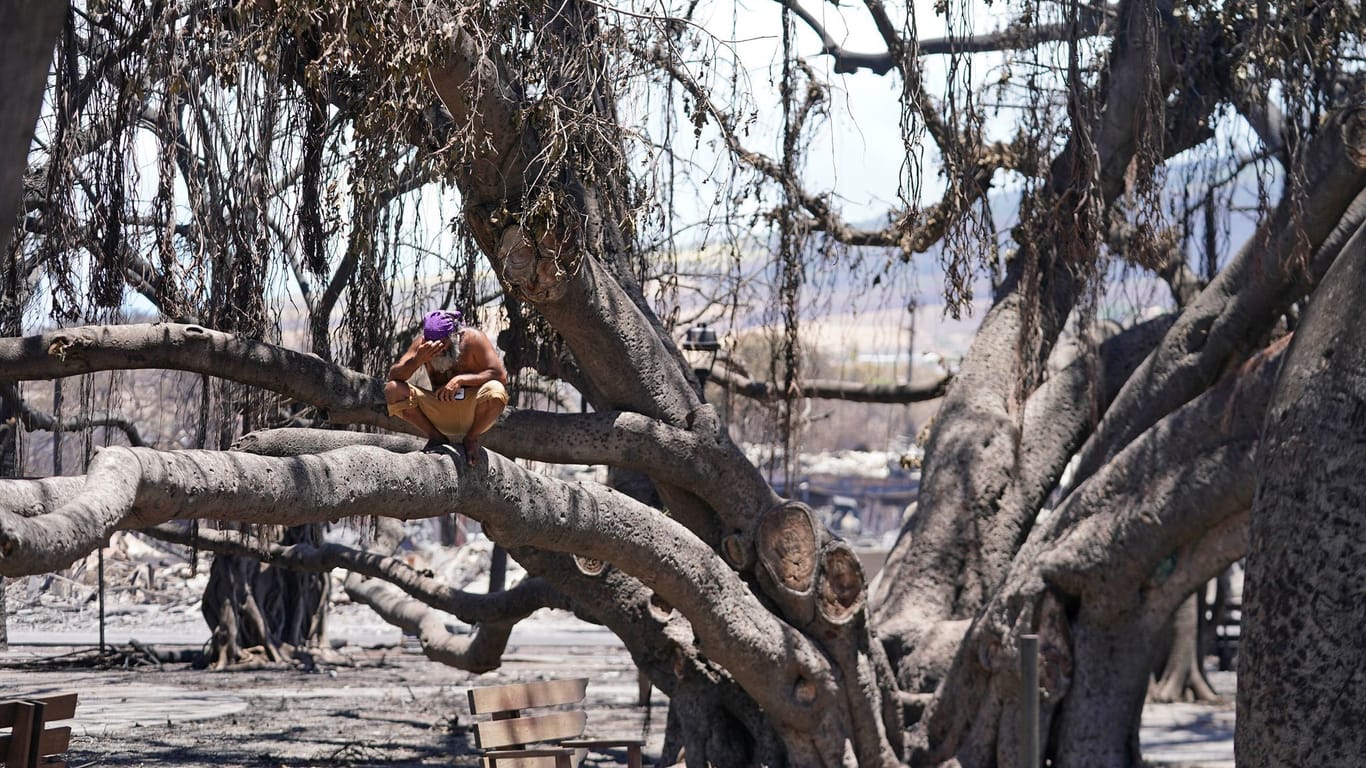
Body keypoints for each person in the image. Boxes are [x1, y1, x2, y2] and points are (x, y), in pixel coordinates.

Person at [385, 309, 509, 463]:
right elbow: (394, 376)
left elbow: (500, 375)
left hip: (473, 412)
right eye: (432, 342)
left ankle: (471, 438)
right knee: (393, 389)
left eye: (443, 342)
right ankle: (436, 437)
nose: (438, 348)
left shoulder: (473, 340)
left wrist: (461, 380)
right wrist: (417, 360)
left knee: (496, 390)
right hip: (439, 410)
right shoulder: (423, 345)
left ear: (455, 334)